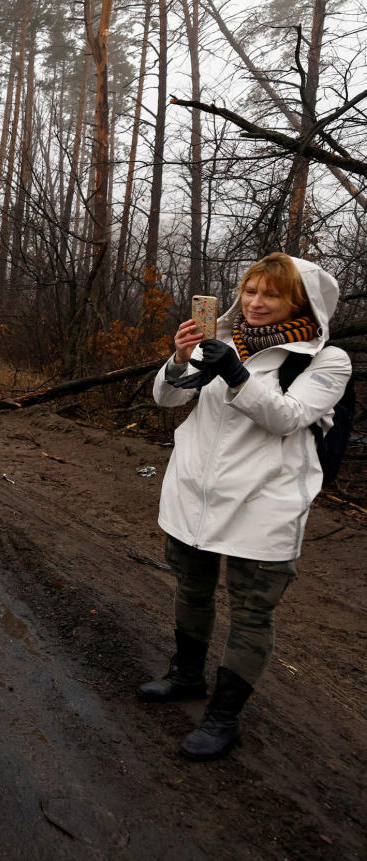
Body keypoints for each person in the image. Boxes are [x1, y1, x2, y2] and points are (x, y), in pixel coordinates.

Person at [142, 252, 351, 760]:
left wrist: (237, 374)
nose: (255, 303)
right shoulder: (220, 340)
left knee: (252, 612)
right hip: (194, 491)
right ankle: (186, 675)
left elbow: (287, 417)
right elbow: (167, 401)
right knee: (192, 589)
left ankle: (224, 717)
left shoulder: (325, 360)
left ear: (299, 301)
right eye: (251, 291)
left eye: (271, 294)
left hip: (265, 503)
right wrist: (177, 359)